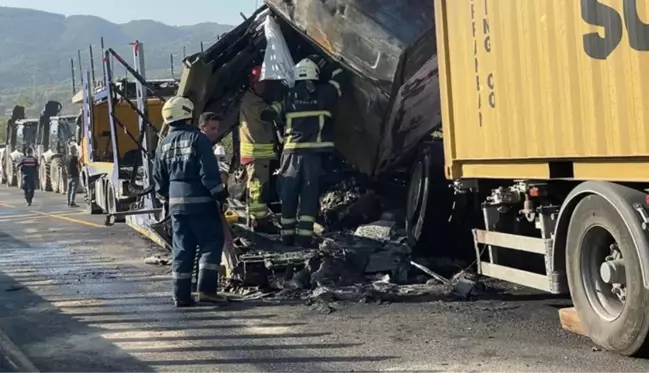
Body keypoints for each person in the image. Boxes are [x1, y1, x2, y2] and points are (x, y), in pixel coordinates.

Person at [152, 96, 229, 307]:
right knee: (210, 243)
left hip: (176, 205)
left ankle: (181, 295)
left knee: (182, 248)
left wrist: (169, 198)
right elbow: (209, 174)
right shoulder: (199, 139)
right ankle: (206, 290)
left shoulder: (163, 144)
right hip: (202, 203)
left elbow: (158, 180)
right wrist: (220, 194)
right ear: (188, 115)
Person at [261, 57, 346, 247]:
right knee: (309, 194)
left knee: (289, 193)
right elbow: (340, 78)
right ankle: (304, 238)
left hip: (290, 153)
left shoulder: (288, 95)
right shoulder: (325, 92)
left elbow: (273, 113)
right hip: (313, 155)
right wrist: (330, 65)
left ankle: (286, 236)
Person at [239, 66, 276, 231]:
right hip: (256, 154)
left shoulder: (253, 98)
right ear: (253, 83)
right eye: (261, 82)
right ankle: (258, 222)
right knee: (257, 188)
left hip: (257, 153)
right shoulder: (253, 102)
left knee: (254, 187)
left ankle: (253, 218)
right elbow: (267, 115)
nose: (264, 86)